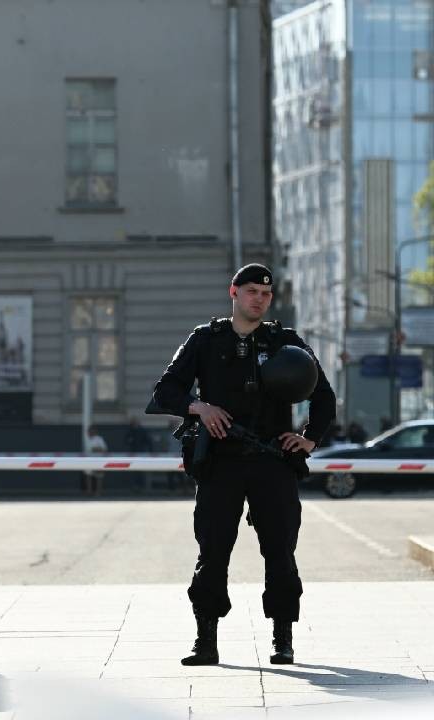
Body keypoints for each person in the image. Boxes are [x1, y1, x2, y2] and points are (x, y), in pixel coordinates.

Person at [148, 263, 336, 667]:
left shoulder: (285, 341)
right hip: (221, 462)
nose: (259, 299)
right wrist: (199, 407)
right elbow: (165, 391)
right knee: (213, 551)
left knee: (281, 552)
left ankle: (282, 639)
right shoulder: (205, 339)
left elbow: (324, 395)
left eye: (266, 294)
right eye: (251, 291)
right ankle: (205, 640)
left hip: (274, 461)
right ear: (233, 292)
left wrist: (309, 438)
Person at [125, 417, 154, 491]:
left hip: (141, 452)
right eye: (133, 422)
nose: (134, 423)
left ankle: (141, 486)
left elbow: (148, 441)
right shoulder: (130, 430)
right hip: (133, 452)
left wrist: (151, 451)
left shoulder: (142, 430)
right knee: (133, 470)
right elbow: (126, 441)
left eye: (135, 422)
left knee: (141, 469)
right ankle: (135, 486)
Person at [82, 425, 108, 497]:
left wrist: (95, 450)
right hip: (89, 461)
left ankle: (98, 492)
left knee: (99, 477)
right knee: (88, 476)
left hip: (98, 461)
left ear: (94, 431)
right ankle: (89, 491)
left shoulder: (99, 439)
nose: (88, 433)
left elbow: (104, 449)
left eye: (90, 431)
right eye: (88, 431)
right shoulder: (88, 440)